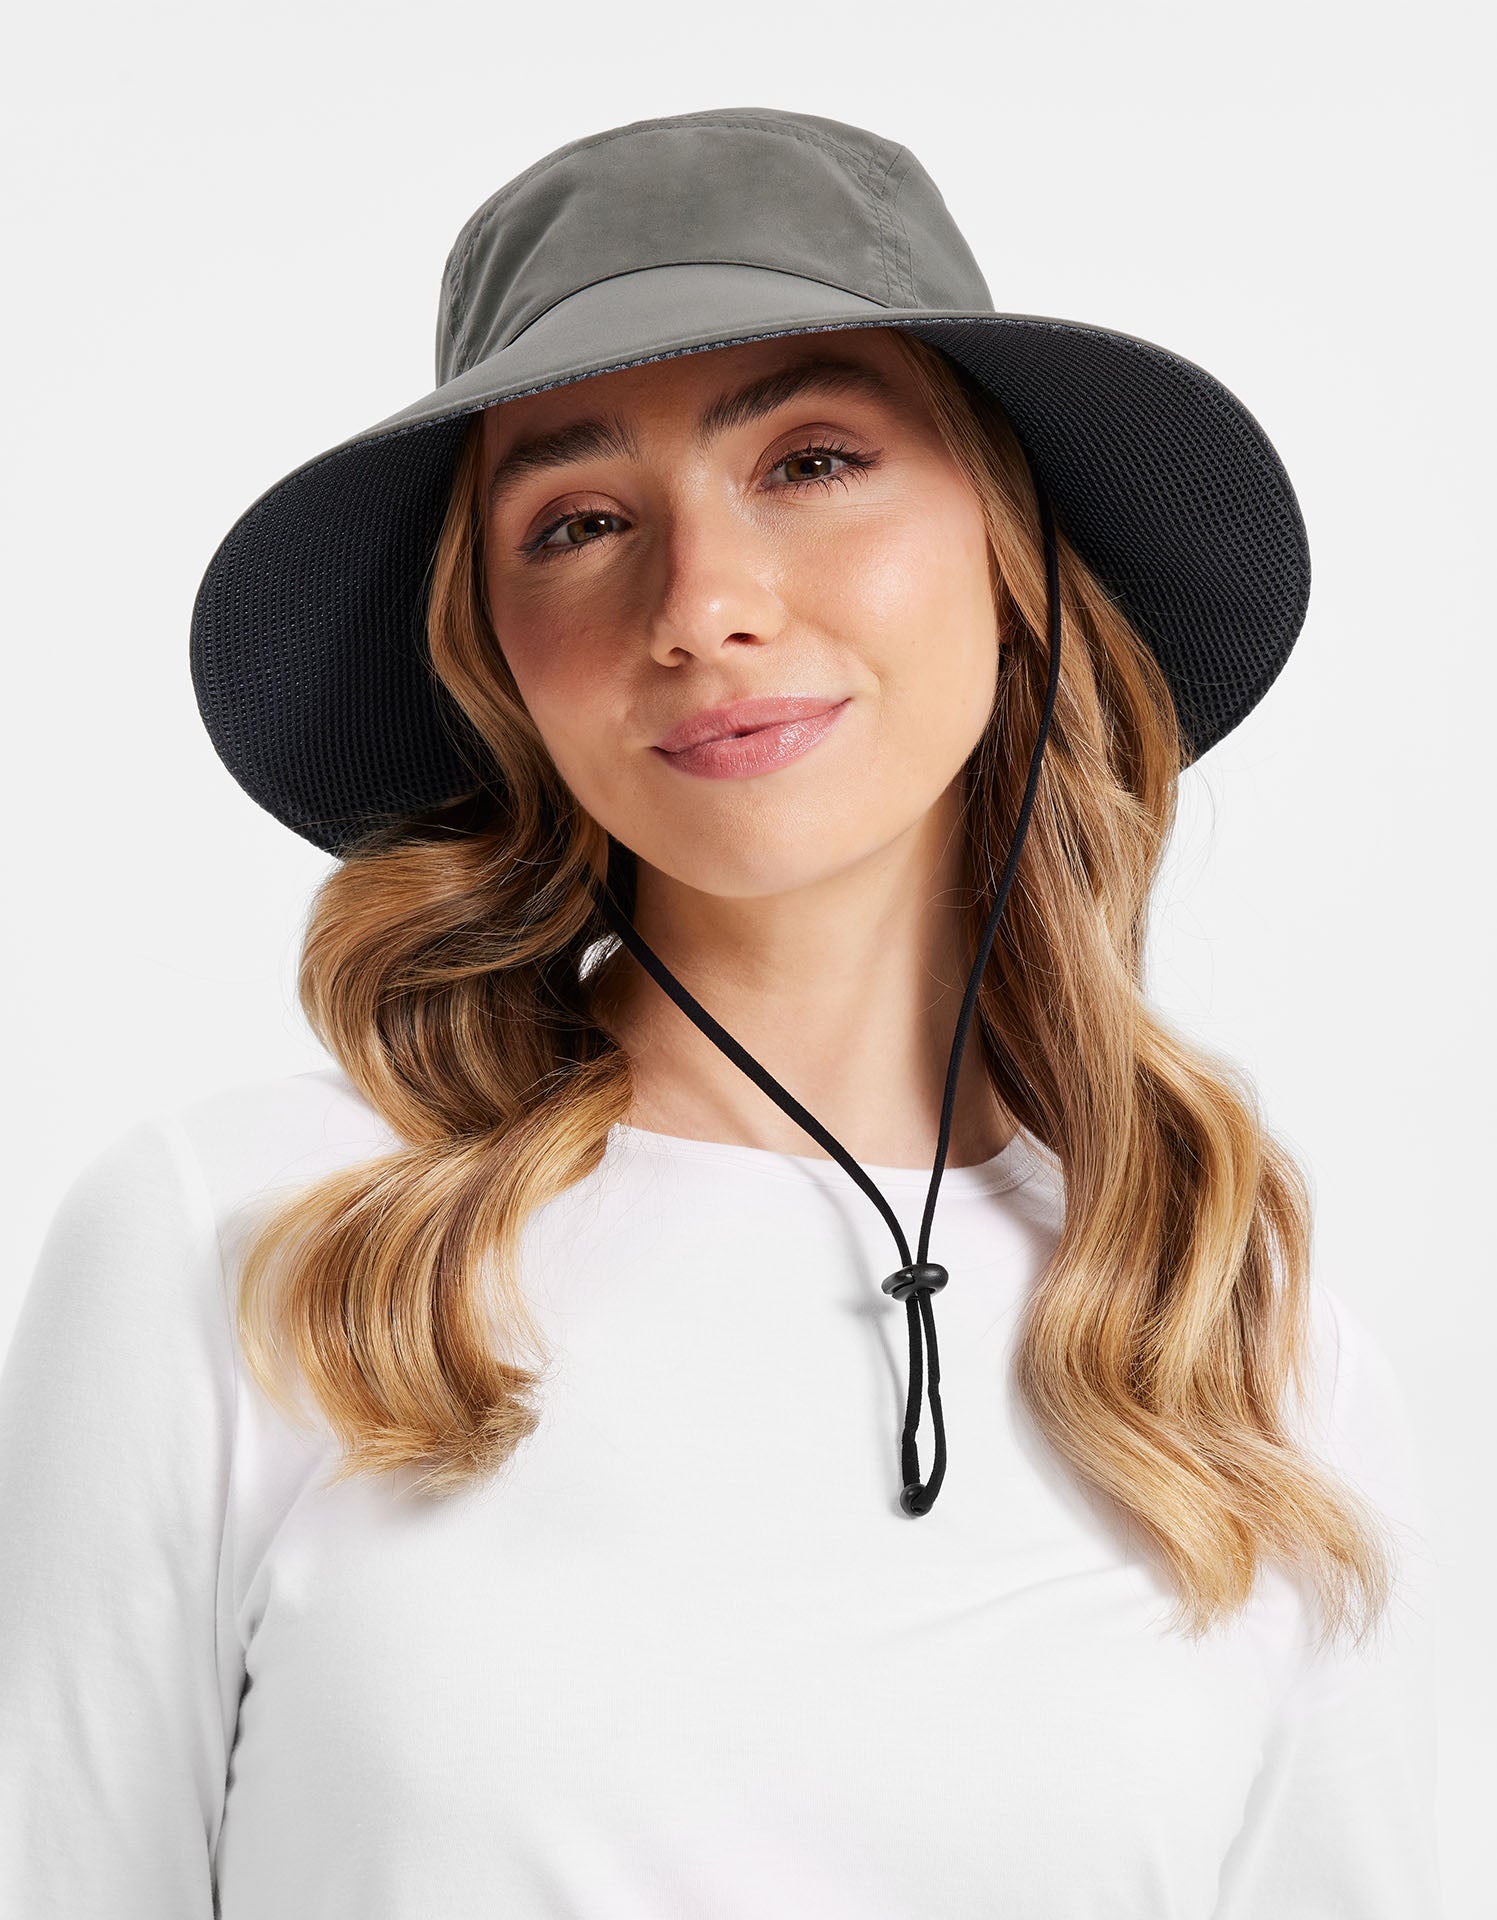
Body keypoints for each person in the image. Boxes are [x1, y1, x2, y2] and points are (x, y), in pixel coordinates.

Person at [0, 106, 1441, 1917]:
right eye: (579, 522)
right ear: (494, 655)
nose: (700, 606)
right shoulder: (246, 1252)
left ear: (1008, 550)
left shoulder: (1245, 1362)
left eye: (812, 460)